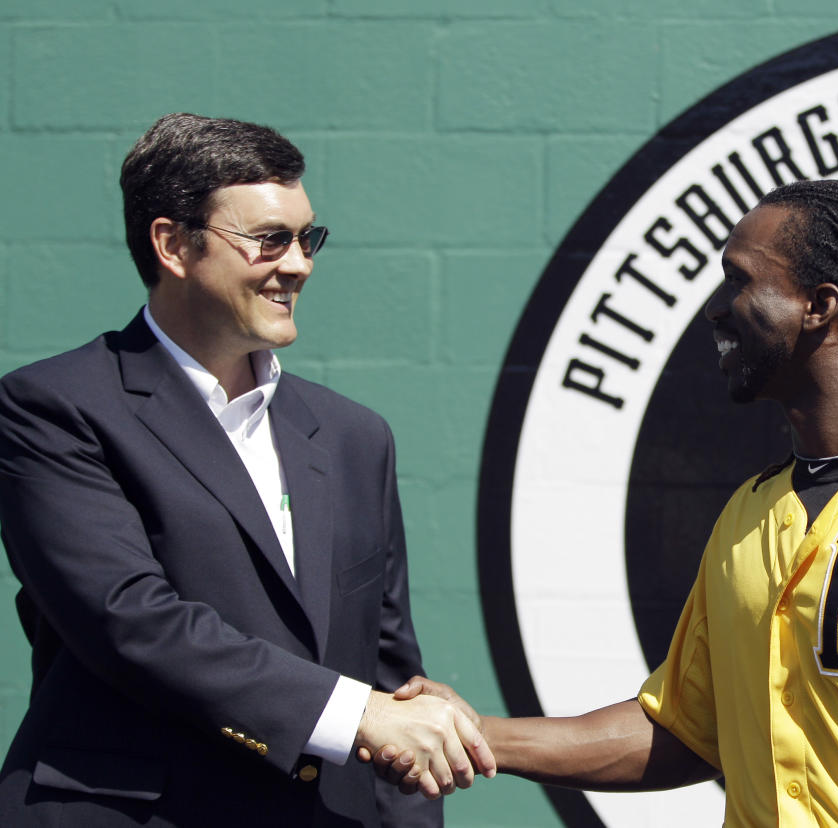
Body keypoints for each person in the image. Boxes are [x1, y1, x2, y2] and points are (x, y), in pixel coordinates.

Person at [392, 179, 838, 826]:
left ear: (820, 306)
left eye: (740, 280)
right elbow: (685, 732)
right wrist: (476, 733)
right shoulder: (750, 513)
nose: (717, 309)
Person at [0, 113, 493, 827]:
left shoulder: (355, 437)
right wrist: (352, 714)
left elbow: (390, 678)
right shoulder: (53, 408)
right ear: (173, 245)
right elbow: (131, 621)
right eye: (270, 240)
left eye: (307, 238)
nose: (298, 264)